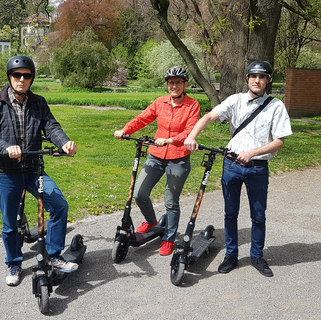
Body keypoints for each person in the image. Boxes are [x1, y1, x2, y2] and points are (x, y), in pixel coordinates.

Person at [184, 61, 292, 277]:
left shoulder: (276, 106)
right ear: (247, 79)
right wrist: (191, 135)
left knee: (258, 215)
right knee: (230, 213)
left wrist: (252, 153)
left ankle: (257, 256)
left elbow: (279, 141)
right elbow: (208, 117)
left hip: (257, 167)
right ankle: (231, 255)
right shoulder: (235, 101)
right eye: (253, 76)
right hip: (231, 165)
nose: (257, 80)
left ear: (268, 80)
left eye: (262, 77)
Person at [0, 55, 79, 286]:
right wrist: (5, 147)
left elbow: (51, 126)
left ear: (32, 78)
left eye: (26, 75)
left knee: (59, 205)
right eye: (17, 75)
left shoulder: (38, 102)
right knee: (10, 222)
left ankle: (54, 255)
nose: (21, 79)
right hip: (7, 173)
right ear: (9, 77)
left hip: (34, 170)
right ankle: (14, 263)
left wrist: (63, 142)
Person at [114, 66, 200, 256]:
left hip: (178, 158)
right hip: (156, 155)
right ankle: (151, 221)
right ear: (167, 85)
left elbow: (190, 131)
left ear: (185, 84)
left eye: (178, 82)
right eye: (170, 82)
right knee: (139, 193)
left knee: (171, 201)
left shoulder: (192, 105)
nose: (174, 85)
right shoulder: (160, 102)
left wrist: (170, 140)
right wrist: (125, 130)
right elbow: (142, 119)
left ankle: (169, 238)